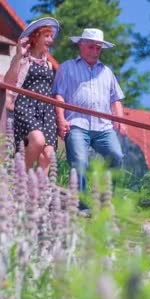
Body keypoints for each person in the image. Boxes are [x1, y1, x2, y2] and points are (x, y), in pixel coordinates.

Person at [52, 28, 127, 197]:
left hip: (104, 127)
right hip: (77, 123)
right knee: (79, 162)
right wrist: (61, 119)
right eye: (91, 47)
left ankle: (107, 198)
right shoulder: (66, 68)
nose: (95, 51)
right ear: (81, 45)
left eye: (98, 48)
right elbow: (59, 96)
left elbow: (115, 99)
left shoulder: (107, 72)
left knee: (116, 156)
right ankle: (81, 203)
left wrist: (120, 120)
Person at [4, 17, 59, 174]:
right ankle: (19, 178)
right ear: (36, 37)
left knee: (47, 155)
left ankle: (36, 193)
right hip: (26, 105)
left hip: (46, 110)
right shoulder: (23, 59)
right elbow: (8, 82)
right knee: (38, 141)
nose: (51, 40)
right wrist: (18, 56)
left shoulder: (48, 64)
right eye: (47, 36)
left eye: (51, 37)